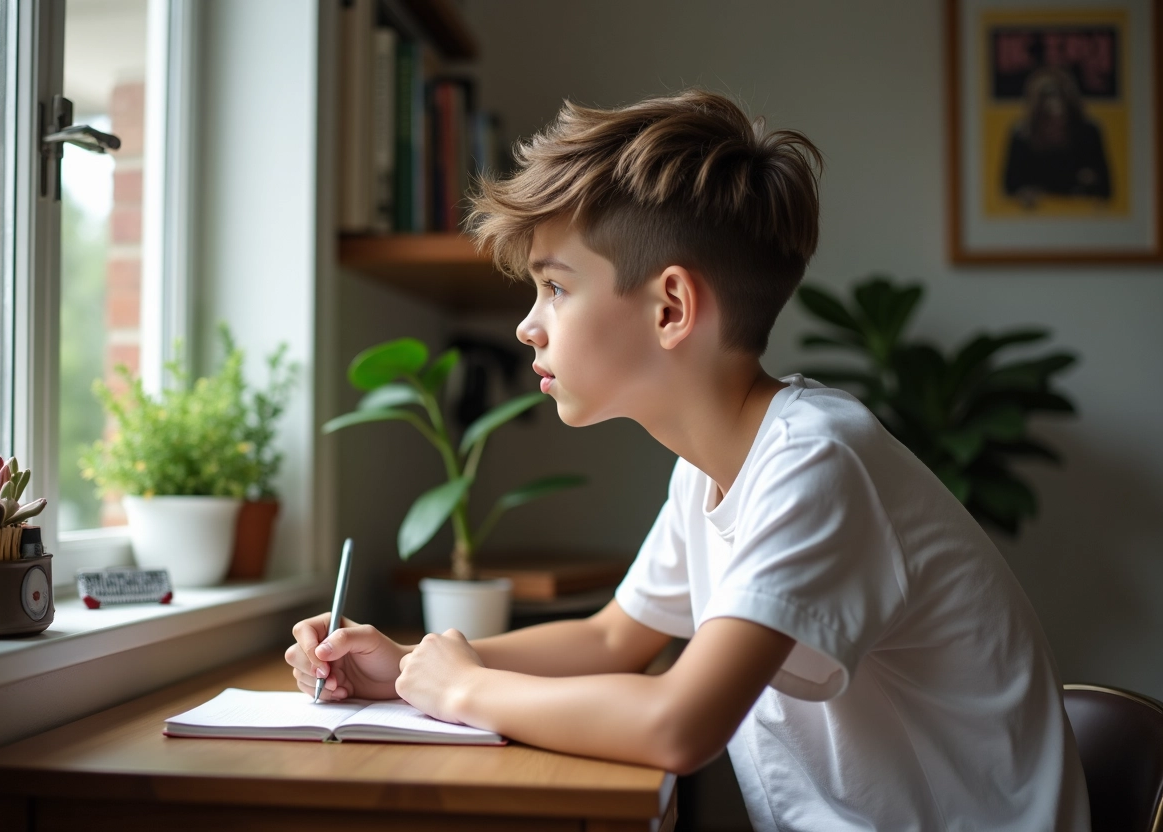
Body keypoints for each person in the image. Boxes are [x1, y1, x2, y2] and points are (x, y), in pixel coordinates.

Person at [287, 89, 1089, 831]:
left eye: (555, 288)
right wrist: (408, 667)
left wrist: (464, 688)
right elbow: (611, 641)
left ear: (670, 307)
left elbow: (678, 724)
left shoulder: (816, 461)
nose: (529, 326)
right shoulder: (710, 466)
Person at [1003, 66, 1111, 208]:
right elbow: (1010, 187)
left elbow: (1105, 189)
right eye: (1047, 115)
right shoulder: (1022, 136)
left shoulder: (1088, 134)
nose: (1054, 105)